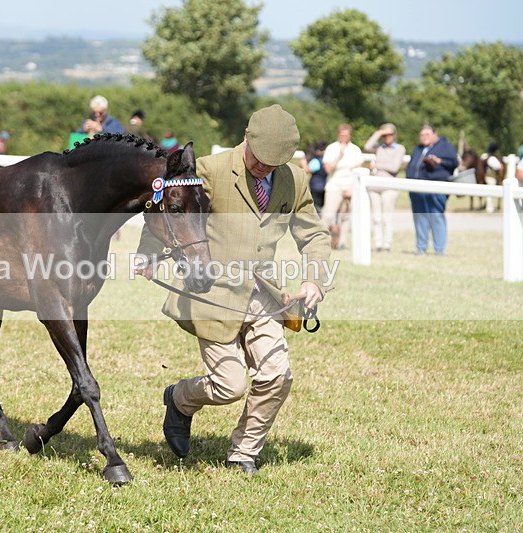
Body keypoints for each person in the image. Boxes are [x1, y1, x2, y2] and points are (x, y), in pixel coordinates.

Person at [135, 104, 331, 474]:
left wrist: (314, 279)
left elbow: (314, 234)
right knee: (230, 386)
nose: (265, 169)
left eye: (274, 163)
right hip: (211, 293)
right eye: (259, 159)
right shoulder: (209, 169)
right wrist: (148, 254)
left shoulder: (294, 179)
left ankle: (243, 451)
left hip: (264, 296)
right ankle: (179, 398)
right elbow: (168, 210)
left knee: (277, 374)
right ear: (247, 137)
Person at [406, 124, 459, 256]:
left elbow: (454, 163)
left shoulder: (445, 146)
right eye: (422, 135)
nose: (424, 137)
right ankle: (421, 247)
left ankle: (439, 249)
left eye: (427, 134)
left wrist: (439, 161)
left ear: (435, 135)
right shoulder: (418, 149)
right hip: (417, 188)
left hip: (436, 187)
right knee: (420, 217)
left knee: (436, 216)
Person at [363, 123, 406, 252]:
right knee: (376, 217)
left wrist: (377, 165)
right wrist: (378, 132)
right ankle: (378, 244)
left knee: (387, 217)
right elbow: (367, 146)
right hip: (375, 186)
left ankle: (387, 244)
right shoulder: (379, 148)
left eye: (389, 134)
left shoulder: (399, 148)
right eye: (385, 135)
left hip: (389, 186)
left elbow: (394, 167)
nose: (387, 137)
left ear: (394, 135)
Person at [321, 124, 363, 249]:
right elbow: (328, 169)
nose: (344, 137)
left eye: (346, 135)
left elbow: (358, 170)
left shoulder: (355, 150)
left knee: (345, 217)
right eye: (342, 134)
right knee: (327, 216)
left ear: (350, 135)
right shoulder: (331, 148)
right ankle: (321, 242)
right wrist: (339, 155)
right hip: (333, 186)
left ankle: (341, 243)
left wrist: (351, 188)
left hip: (349, 187)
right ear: (338, 134)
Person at [305, 141, 328, 214]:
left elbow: (307, 170)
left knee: (317, 207)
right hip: (325, 186)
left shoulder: (316, 161)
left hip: (316, 187)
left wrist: (304, 163)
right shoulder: (327, 160)